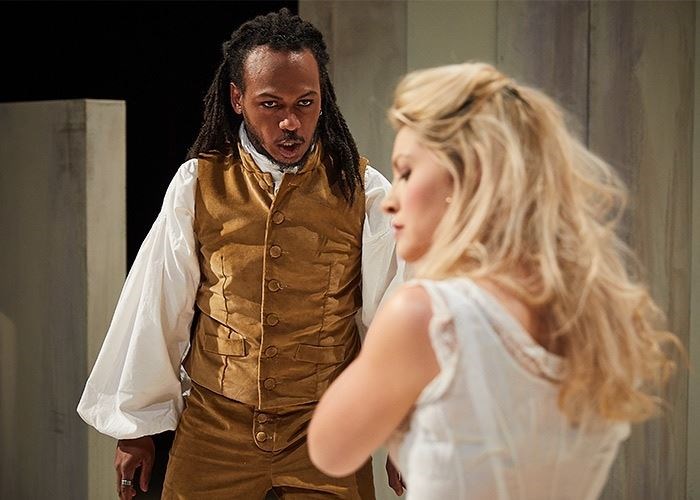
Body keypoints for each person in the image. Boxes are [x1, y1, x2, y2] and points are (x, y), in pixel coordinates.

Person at [308, 62, 680, 499]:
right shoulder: (594, 317)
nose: (391, 202)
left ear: (468, 178)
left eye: (406, 172)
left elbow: (330, 452)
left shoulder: (425, 316)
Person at [77, 9, 404, 500]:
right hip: (215, 427)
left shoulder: (364, 190)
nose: (290, 122)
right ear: (237, 99)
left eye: (305, 103)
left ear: (322, 99)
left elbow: (393, 320)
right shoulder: (197, 184)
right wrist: (135, 428)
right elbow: (157, 303)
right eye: (271, 104)